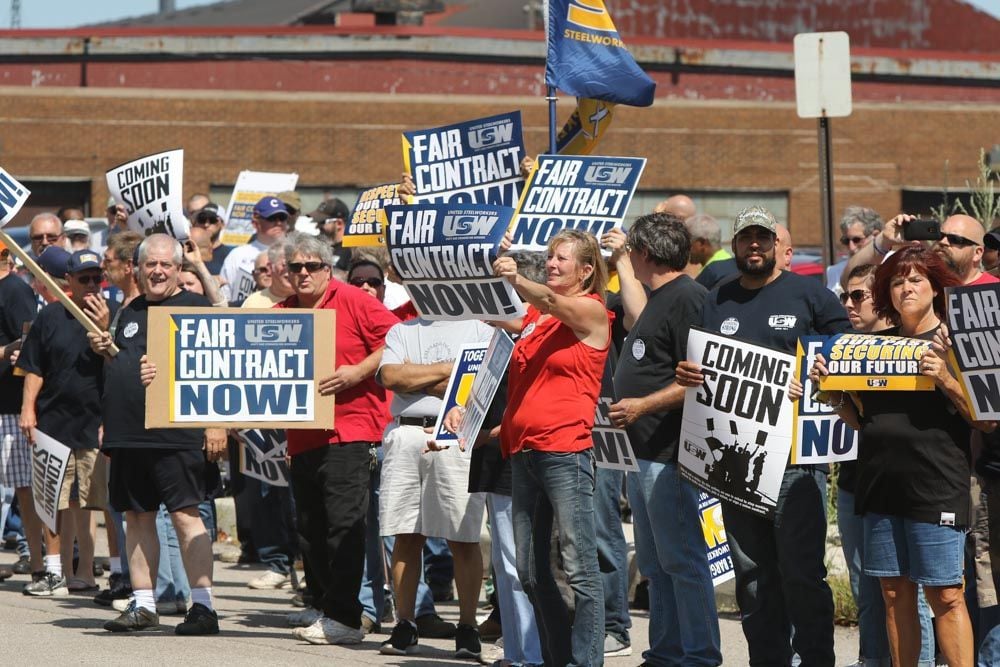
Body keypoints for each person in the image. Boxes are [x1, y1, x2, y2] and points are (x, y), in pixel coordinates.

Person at [676, 205, 849, 666]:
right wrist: (688, 372)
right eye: (746, 238)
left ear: (777, 244)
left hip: (794, 462)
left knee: (801, 576)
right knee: (752, 577)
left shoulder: (809, 295)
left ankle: (815, 660)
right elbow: (700, 358)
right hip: (736, 463)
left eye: (763, 237)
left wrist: (817, 372)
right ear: (734, 246)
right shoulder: (717, 296)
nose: (755, 245)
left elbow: (845, 350)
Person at [811, 245, 992, 667]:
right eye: (896, 281)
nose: (906, 288)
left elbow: (985, 422)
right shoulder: (870, 346)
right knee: (894, 593)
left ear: (934, 287)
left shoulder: (955, 341)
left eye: (915, 280)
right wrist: (833, 394)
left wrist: (946, 377)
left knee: (945, 593)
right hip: (880, 483)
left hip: (936, 484)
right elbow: (862, 422)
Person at [89, 234, 223, 635]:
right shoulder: (129, 311)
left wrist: (218, 423)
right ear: (138, 268)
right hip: (129, 434)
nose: (159, 271)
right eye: (151, 264)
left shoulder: (198, 309)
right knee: (136, 517)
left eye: (167, 264)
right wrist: (103, 346)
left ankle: (202, 607)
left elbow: (221, 369)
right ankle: (144, 603)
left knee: (186, 517)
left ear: (178, 269)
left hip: (178, 435)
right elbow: (123, 364)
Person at [605, 213, 723, 666]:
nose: (628, 258)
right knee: (657, 567)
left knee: (684, 562)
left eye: (631, 250)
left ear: (645, 254)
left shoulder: (689, 299)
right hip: (642, 454)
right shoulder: (658, 298)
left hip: (670, 456)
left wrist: (641, 406)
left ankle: (699, 656)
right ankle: (666, 652)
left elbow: (700, 377)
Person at [493, 228, 611, 667]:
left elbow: (553, 302)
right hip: (524, 452)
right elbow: (512, 315)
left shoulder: (591, 311)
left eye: (561, 258)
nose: (552, 263)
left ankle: (587, 662)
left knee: (578, 567)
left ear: (585, 270)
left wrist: (516, 279)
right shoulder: (536, 319)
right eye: (549, 256)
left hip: (564, 451)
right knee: (528, 569)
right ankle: (557, 658)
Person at [273, 233, 399, 646]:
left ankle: (344, 616)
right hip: (303, 437)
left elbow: (397, 338)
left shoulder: (354, 300)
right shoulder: (280, 312)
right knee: (310, 528)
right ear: (287, 273)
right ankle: (331, 609)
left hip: (352, 431)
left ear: (329, 269)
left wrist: (357, 371)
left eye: (312, 266)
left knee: (343, 525)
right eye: (296, 267)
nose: (304, 273)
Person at [375, 313, 493, 659]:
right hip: (406, 430)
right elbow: (391, 377)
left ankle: (468, 626)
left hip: (456, 435)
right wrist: (451, 370)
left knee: (463, 534)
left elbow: (482, 386)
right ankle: (405, 623)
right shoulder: (402, 329)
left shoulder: (479, 329)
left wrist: (416, 377)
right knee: (405, 532)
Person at [17, 250, 108, 597]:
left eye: (95, 278)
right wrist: (28, 409)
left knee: (92, 503)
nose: (90, 285)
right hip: (53, 422)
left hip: (93, 423)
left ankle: (87, 571)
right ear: (67, 281)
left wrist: (103, 327)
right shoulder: (50, 316)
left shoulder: (109, 316)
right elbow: (34, 367)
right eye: (83, 278)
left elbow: (118, 364)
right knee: (50, 500)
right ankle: (54, 571)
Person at [0, 239, 41, 582]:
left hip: (11, 407)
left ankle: (36, 558)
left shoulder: (14, 290)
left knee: (24, 488)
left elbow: (28, 343)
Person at [219, 196, 288, 304]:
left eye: (282, 218)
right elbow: (225, 295)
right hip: (245, 315)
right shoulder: (238, 254)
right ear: (256, 223)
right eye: (272, 218)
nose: (278, 223)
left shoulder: (295, 253)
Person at [826, 206, 882, 291]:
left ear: (875, 236)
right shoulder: (835, 271)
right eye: (846, 240)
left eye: (857, 240)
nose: (851, 247)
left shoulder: (895, 264)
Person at [307, 198, 353, 270]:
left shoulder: (352, 251)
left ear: (339, 224)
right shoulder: (318, 248)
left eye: (322, 222)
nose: (317, 227)